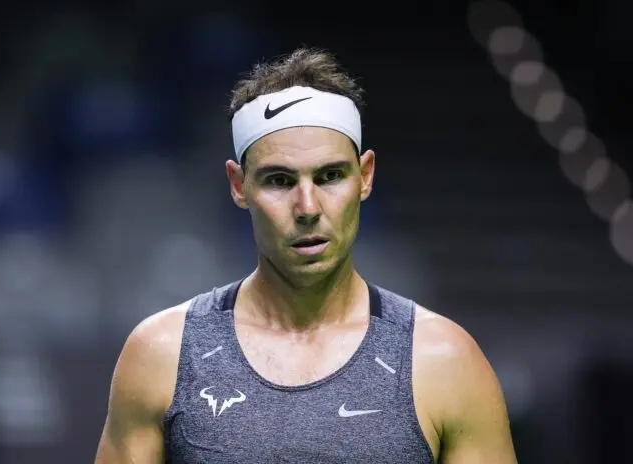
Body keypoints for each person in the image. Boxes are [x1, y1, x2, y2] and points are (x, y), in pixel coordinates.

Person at [94, 47, 518, 463]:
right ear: (239, 185)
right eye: (279, 181)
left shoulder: (444, 360)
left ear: (365, 176)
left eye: (330, 176)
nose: (308, 208)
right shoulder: (162, 355)